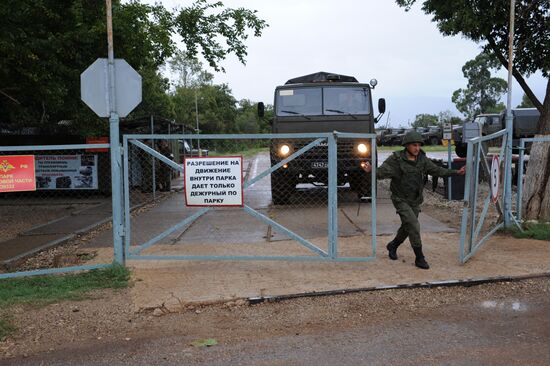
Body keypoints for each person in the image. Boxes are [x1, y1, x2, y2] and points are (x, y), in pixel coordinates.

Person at [362, 130, 465, 269]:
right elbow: (381, 173)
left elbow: (436, 170)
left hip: (415, 200)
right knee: (414, 226)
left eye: (418, 145)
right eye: (414, 145)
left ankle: (393, 245)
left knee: (407, 227)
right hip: (400, 199)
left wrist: (456, 172)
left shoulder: (422, 159)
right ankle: (419, 258)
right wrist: (370, 170)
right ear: (407, 146)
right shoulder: (396, 159)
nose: (417, 148)